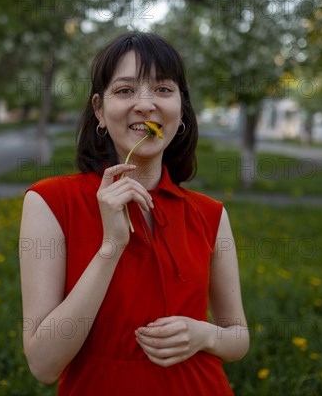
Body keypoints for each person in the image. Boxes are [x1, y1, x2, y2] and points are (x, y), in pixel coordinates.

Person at [19, 32, 249, 395]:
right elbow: (44, 365)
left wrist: (204, 334)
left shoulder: (210, 214)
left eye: (162, 89)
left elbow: (238, 338)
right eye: (125, 91)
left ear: (182, 108)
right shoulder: (49, 202)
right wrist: (111, 246)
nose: (145, 105)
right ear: (99, 109)